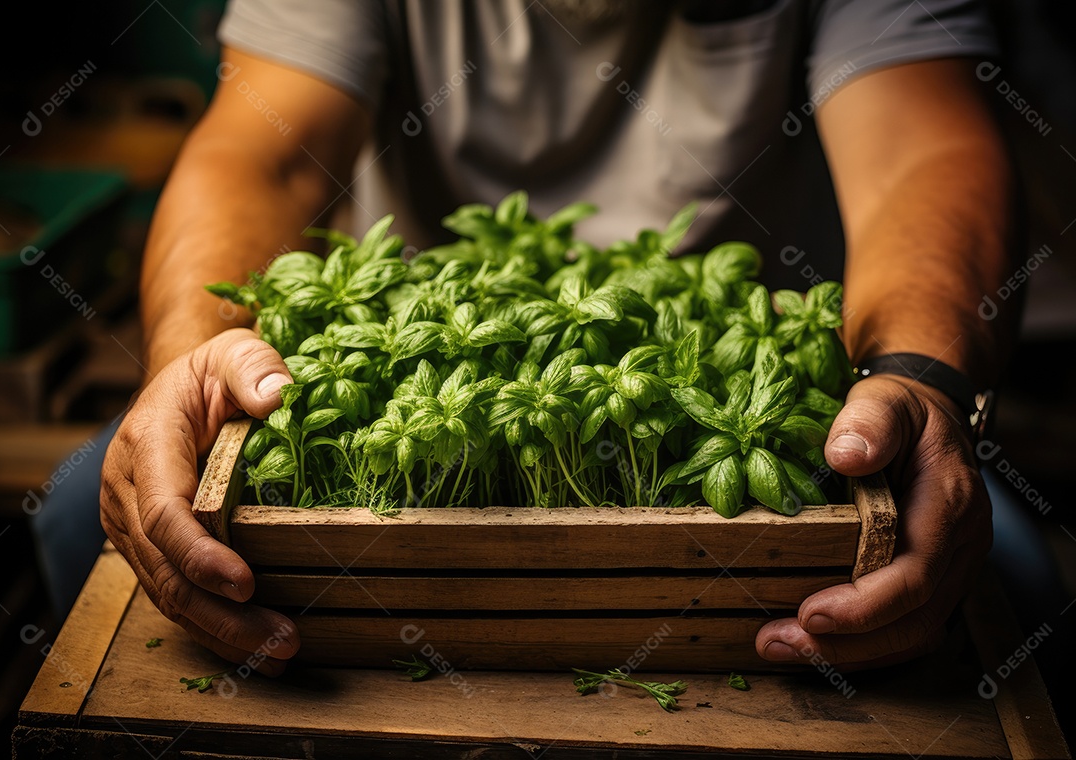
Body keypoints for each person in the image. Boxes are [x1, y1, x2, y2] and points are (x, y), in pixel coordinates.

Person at [97, 0, 1021, 676]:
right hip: (437, 324)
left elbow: (923, 156)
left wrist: (920, 376)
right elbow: (260, 153)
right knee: (95, 519)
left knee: (1011, 582)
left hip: (778, 370)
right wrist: (192, 358)